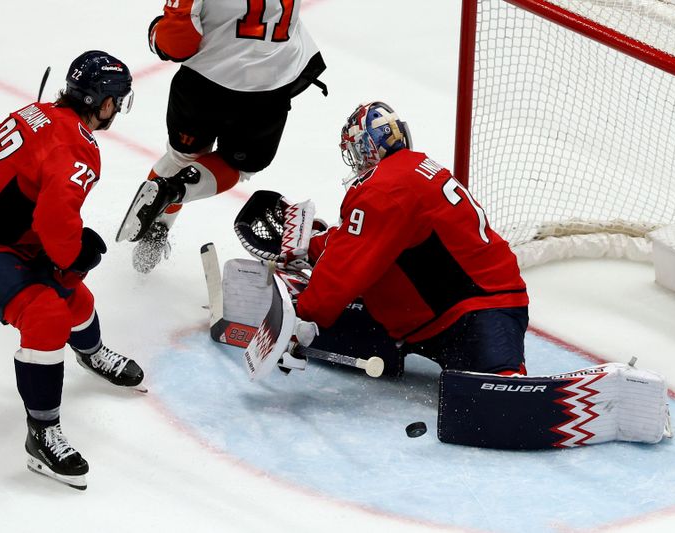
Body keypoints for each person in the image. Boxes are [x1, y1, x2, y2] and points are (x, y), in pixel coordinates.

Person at [0, 51, 143, 490]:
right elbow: (53, 222)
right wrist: (69, 258)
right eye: (116, 101)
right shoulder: (78, 148)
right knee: (48, 311)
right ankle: (41, 434)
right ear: (103, 103)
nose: (116, 110)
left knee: (74, 295)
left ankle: (91, 352)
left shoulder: (37, 112)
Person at [240, 102, 530, 377]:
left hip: (479, 313)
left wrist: (302, 317)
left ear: (367, 146)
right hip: (442, 318)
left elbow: (346, 268)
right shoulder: (411, 169)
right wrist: (312, 247)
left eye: (355, 150)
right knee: (347, 315)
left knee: (499, 393)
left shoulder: (383, 190)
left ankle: (508, 377)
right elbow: (367, 242)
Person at [116, 0, 327, 273]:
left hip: (205, 85)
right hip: (268, 86)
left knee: (182, 155)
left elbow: (177, 42)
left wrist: (155, 34)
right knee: (237, 165)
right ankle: (178, 190)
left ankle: (157, 224)